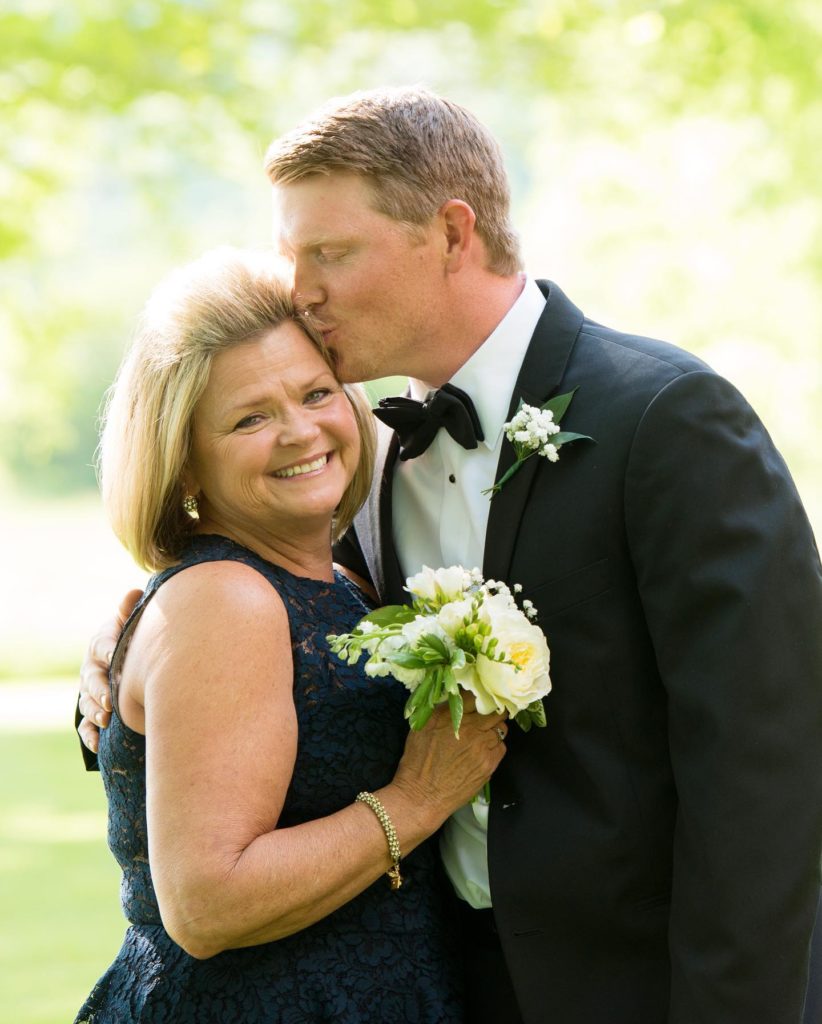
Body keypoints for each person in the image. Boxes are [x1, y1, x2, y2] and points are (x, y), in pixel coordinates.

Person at [79, 89, 822, 1023]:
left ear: (451, 233)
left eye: (329, 253)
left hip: (637, 987)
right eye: (291, 256)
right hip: (443, 983)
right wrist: (129, 639)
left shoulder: (665, 419)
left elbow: (770, 772)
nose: (300, 288)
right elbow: (265, 628)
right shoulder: (372, 456)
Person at [73, 246, 508, 1024]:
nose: (300, 432)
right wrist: (416, 800)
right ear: (186, 466)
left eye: (315, 393)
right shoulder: (226, 601)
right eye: (250, 418)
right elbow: (206, 904)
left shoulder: (339, 581)